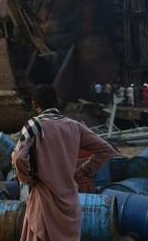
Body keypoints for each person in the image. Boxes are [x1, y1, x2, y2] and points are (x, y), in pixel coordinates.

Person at [12, 84, 119, 241]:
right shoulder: (74, 126)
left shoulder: (34, 125)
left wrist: (27, 178)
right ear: (57, 102)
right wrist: (83, 171)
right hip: (70, 201)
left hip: (44, 200)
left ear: (35, 104)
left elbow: (19, 157)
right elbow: (106, 150)